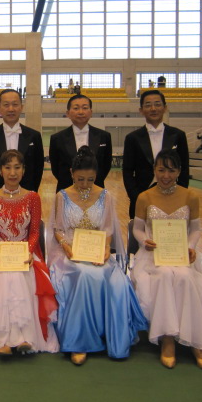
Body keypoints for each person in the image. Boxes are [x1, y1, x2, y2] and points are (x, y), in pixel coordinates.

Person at [48, 146, 147, 365]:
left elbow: (108, 230)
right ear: (71, 173)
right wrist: (67, 248)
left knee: (115, 281)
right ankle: (79, 341)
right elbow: (58, 229)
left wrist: (105, 249)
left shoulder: (105, 196)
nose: (85, 184)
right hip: (69, 254)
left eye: (90, 180)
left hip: (97, 250)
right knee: (84, 274)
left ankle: (110, 337)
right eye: (80, 179)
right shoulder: (62, 196)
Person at [130, 149, 202, 371]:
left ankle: (197, 341)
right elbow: (137, 228)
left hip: (180, 254)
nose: (166, 176)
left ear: (179, 171)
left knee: (185, 276)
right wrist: (144, 241)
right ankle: (167, 338)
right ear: (154, 170)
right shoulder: (144, 196)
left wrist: (190, 247)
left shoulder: (190, 196)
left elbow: (195, 229)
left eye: (171, 170)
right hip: (153, 255)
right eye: (161, 170)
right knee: (163, 276)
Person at [0, 150, 58, 356]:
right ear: (0, 171)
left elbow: (34, 232)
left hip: (26, 252)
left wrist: (28, 252)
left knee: (20, 275)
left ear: (24, 170)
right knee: (3, 276)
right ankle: (3, 339)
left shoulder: (33, 197)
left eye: (17, 167)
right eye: (7, 167)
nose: (12, 172)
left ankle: (25, 337)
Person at [123, 89, 190, 219]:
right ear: (141, 110)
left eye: (157, 104)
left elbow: (185, 168)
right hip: (142, 197)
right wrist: (136, 197)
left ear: (165, 108)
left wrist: (179, 195)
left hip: (173, 197)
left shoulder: (178, 135)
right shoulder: (132, 138)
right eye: (148, 105)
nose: (153, 109)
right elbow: (127, 171)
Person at [0, 89, 44, 195]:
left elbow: (38, 168)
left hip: (26, 193)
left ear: (21, 107)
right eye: (6, 105)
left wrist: (32, 192)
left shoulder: (34, 136)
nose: (11, 109)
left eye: (15, 104)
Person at [49, 94, 112, 192]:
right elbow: (55, 168)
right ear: (68, 113)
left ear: (91, 112)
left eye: (85, 108)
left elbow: (106, 165)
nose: (81, 112)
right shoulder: (57, 138)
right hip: (66, 191)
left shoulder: (104, 136)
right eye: (76, 108)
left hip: (96, 191)